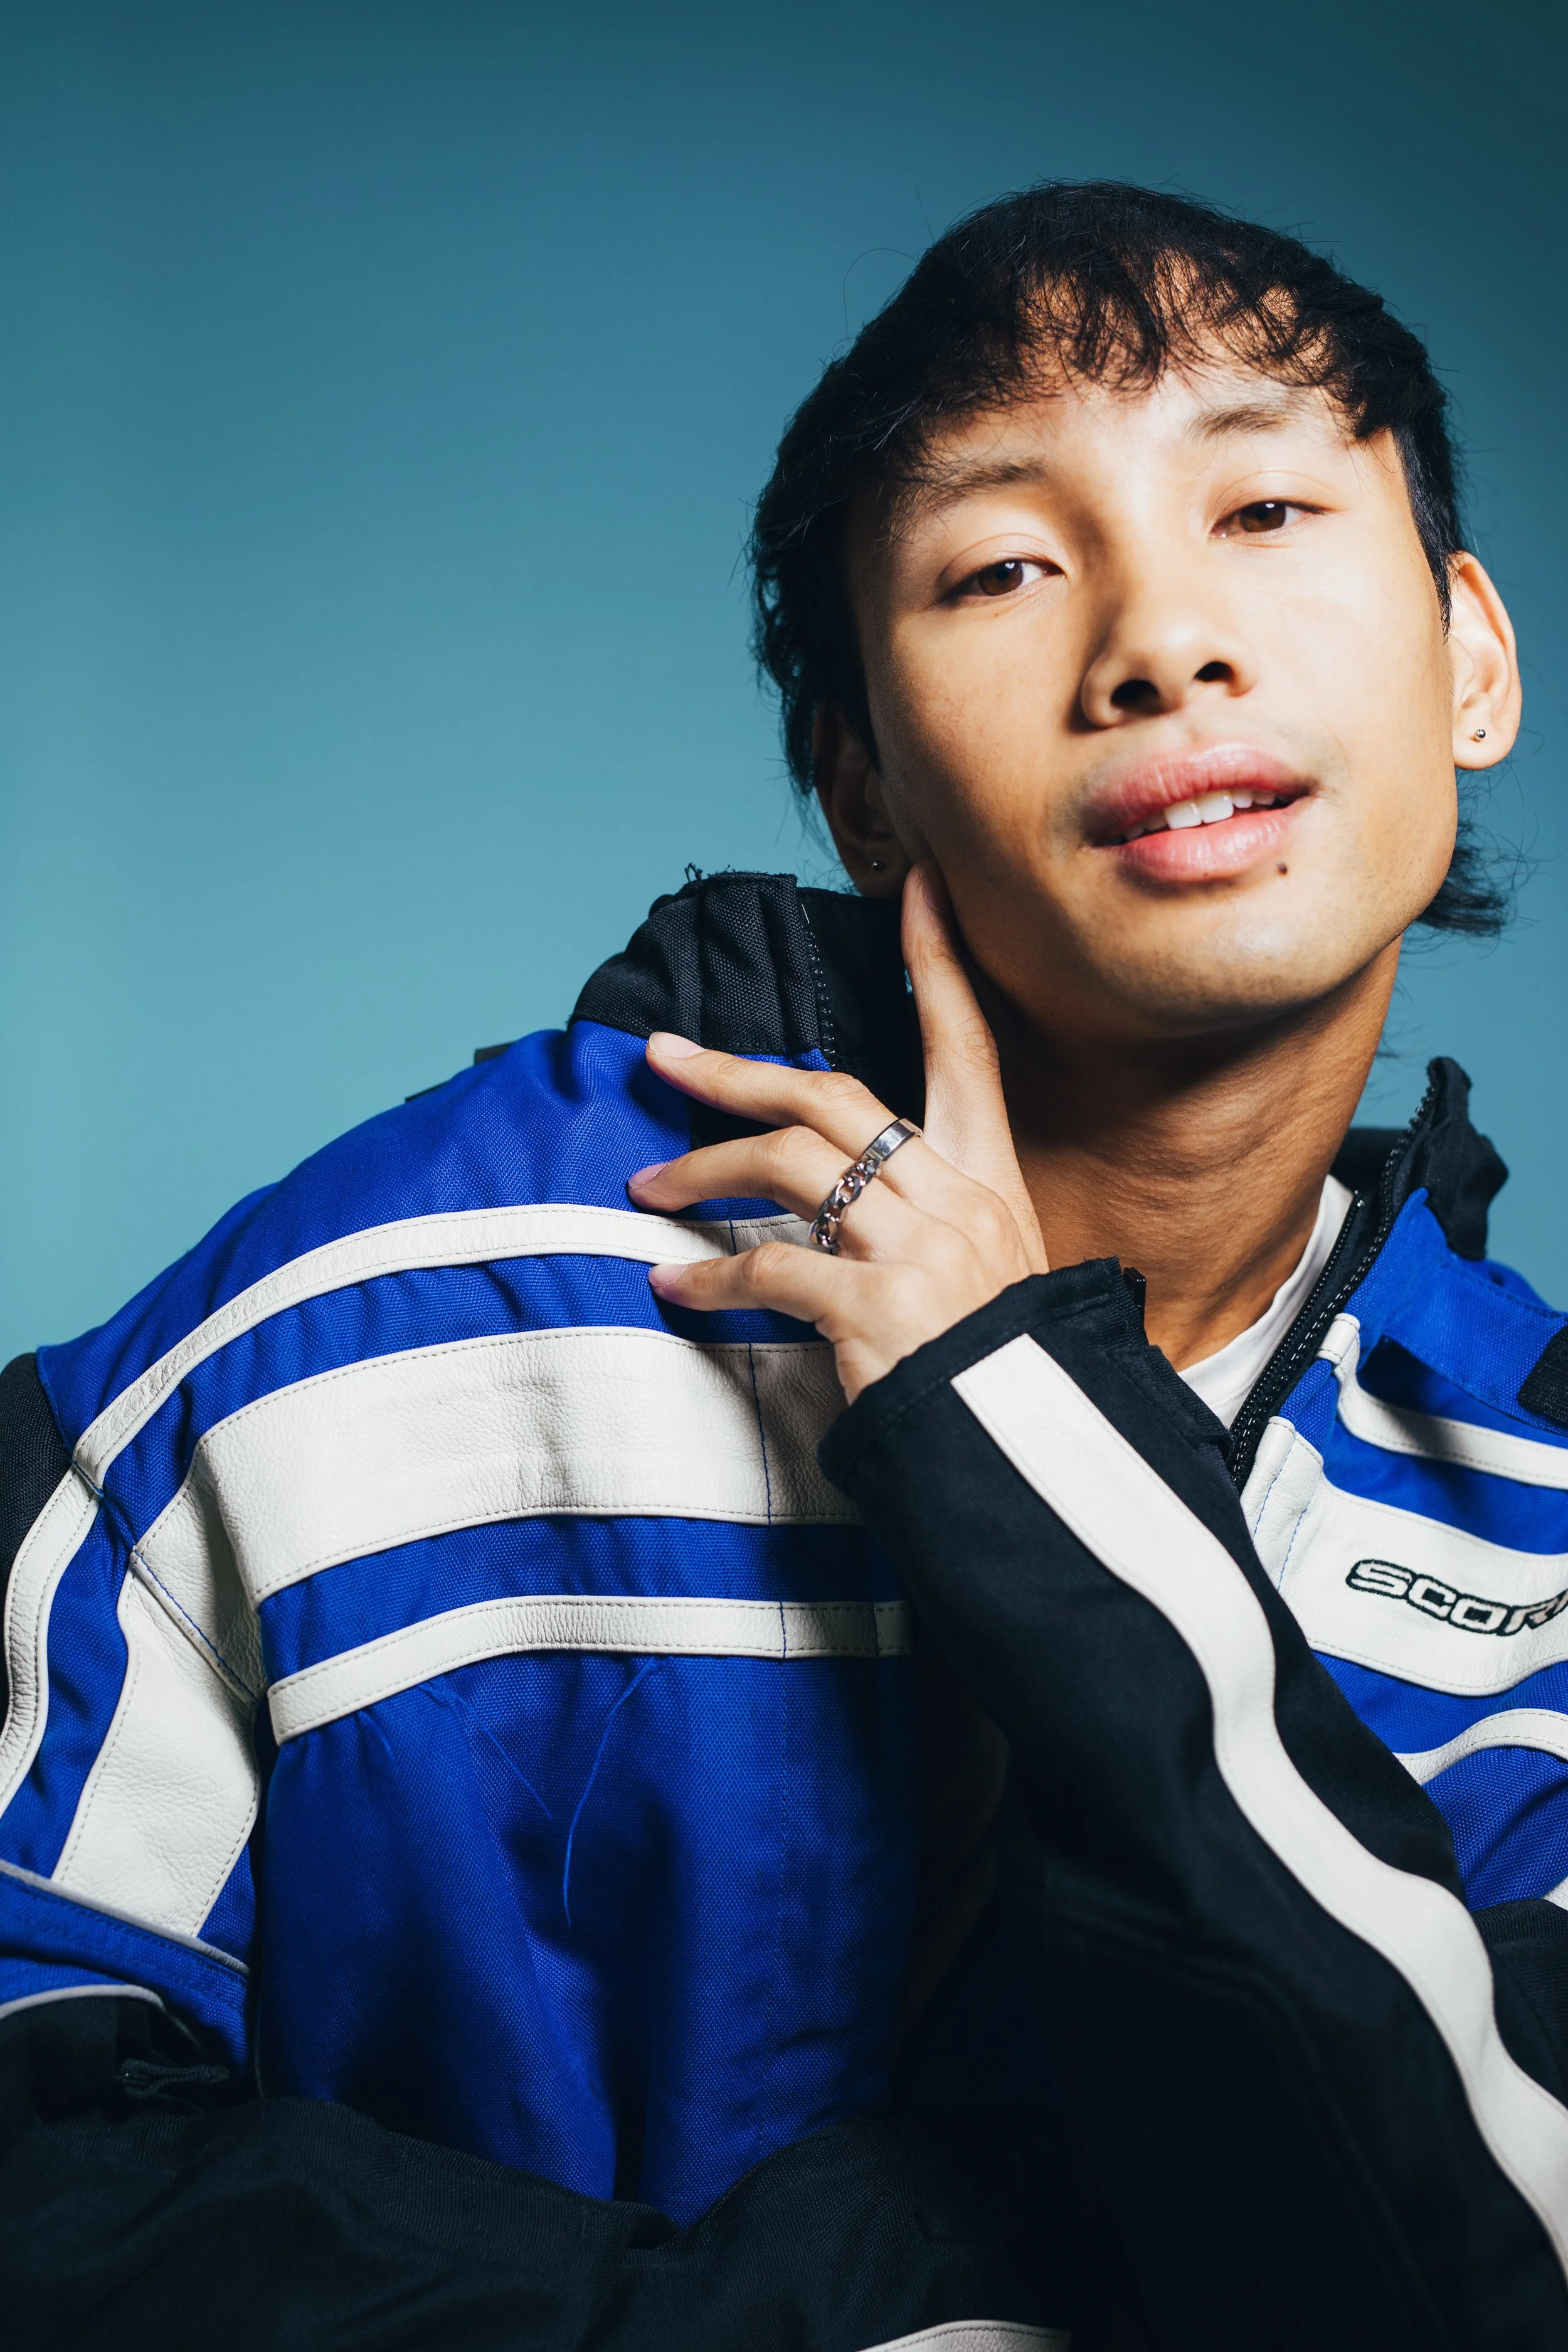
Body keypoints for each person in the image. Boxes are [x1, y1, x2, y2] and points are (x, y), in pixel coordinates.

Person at [2, 179, 1565, 2349]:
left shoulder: (1539, 1515)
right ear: (861, 784)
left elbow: (1484, 2263)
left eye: (1267, 510)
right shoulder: (392, 1298)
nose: (1159, 642)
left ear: (1470, 658)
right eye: (1002, 563)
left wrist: (1018, 1415)